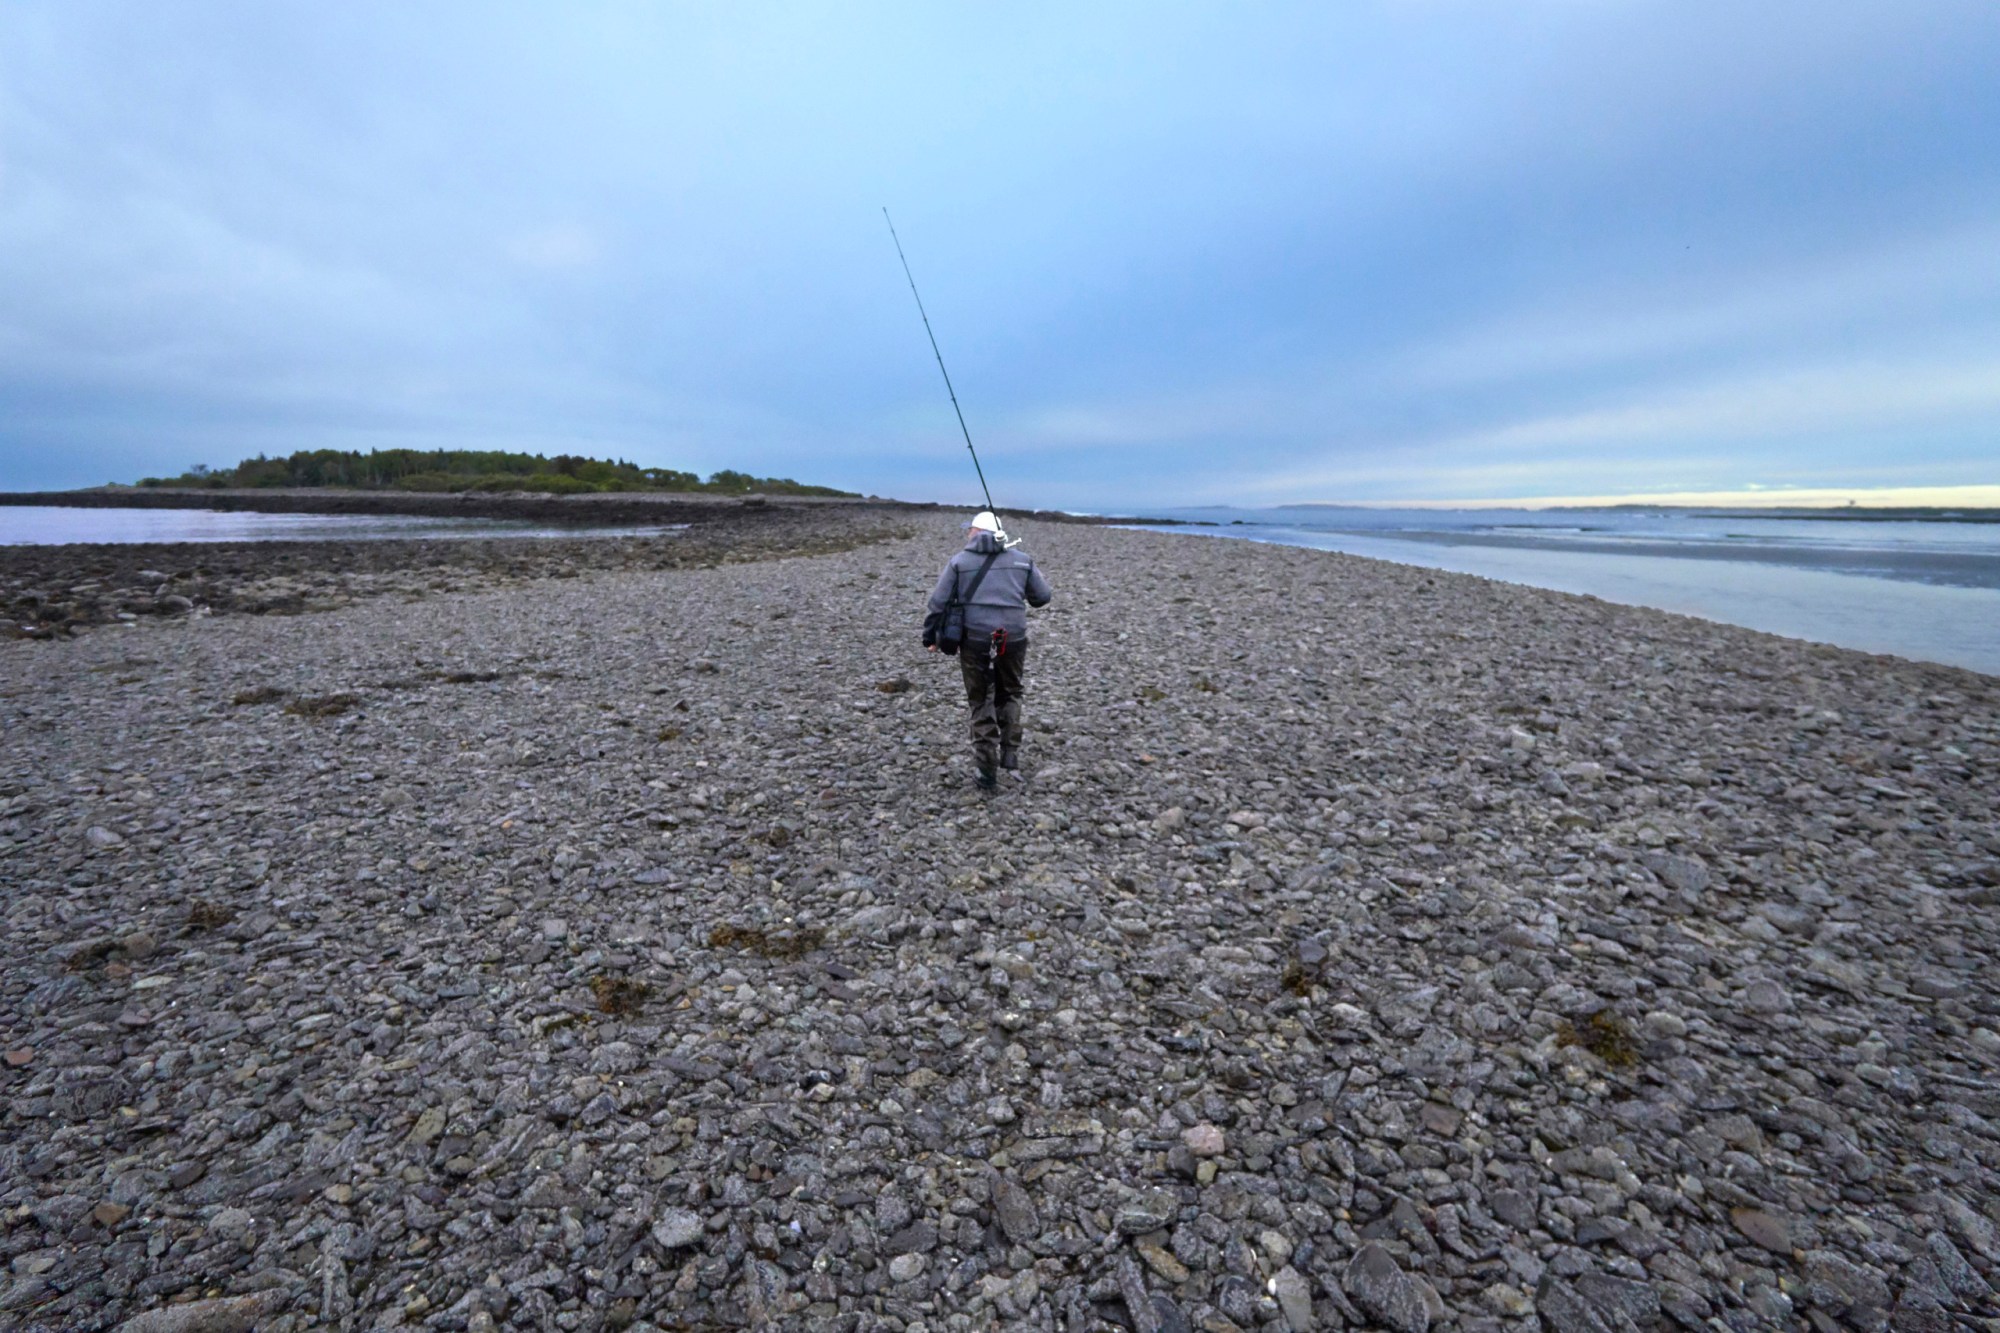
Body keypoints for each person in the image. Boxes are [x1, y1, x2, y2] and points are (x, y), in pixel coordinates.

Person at [926, 511, 1052, 790]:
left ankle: (986, 771)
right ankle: (1010, 755)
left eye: (970, 529)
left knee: (981, 698)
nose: (967, 533)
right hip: (1008, 637)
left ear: (976, 532)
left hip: (978, 639)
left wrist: (929, 636)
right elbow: (1042, 598)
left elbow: (938, 603)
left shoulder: (959, 562)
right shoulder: (1022, 560)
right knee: (1010, 692)